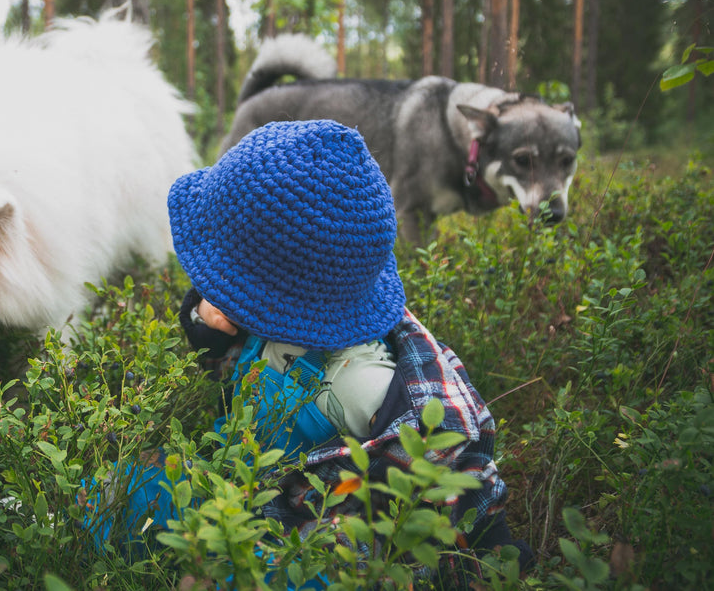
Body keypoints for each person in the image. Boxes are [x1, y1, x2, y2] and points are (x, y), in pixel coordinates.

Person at [86, 120, 533, 581]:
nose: (214, 286)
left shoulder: (364, 384)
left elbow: (457, 465)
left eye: (228, 278)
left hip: (314, 534)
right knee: (125, 490)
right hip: (241, 476)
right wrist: (209, 323)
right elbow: (226, 361)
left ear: (272, 290)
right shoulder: (298, 303)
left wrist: (491, 551)